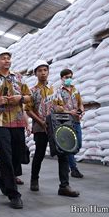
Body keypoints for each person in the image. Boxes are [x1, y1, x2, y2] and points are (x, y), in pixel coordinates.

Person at [0, 47, 31, 209]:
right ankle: (13, 194)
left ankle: (1, 178)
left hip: (17, 120)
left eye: (8, 57)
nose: (7, 60)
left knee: (18, 154)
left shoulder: (19, 78)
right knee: (6, 155)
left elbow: (29, 97)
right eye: (3, 58)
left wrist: (20, 98)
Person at [25, 60, 79, 197]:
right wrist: (41, 122)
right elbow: (28, 110)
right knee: (39, 154)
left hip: (56, 126)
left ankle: (64, 186)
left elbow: (60, 104)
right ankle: (34, 179)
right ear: (35, 73)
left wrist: (61, 109)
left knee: (63, 153)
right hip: (40, 127)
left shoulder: (55, 89)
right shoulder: (32, 91)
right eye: (40, 71)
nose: (43, 73)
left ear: (48, 72)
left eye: (45, 70)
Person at [52, 69, 84, 178]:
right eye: (66, 77)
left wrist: (81, 111)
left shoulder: (76, 90)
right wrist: (69, 112)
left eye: (70, 77)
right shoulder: (58, 91)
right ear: (61, 78)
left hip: (76, 120)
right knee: (71, 145)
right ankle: (73, 168)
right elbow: (56, 107)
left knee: (78, 144)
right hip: (66, 121)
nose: (68, 79)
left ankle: (70, 159)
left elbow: (80, 103)